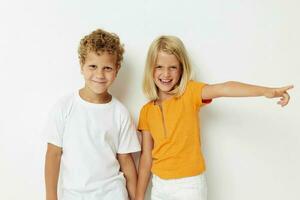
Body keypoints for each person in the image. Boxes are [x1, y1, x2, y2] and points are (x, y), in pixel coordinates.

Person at [135, 35, 293, 200]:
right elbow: (146, 157)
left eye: (173, 67)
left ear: (181, 69)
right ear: (150, 69)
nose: (166, 74)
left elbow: (225, 88)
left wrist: (267, 91)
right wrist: (139, 196)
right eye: (159, 66)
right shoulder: (146, 111)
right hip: (159, 186)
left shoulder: (189, 92)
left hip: (188, 185)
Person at [44, 29, 140, 200]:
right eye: (93, 66)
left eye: (107, 68)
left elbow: (126, 161)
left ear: (117, 69)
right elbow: (53, 154)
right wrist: (50, 197)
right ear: (82, 65)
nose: (99, 75)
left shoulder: (120, 113)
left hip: (113, 193)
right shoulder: (64, 107)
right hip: (74, 195)